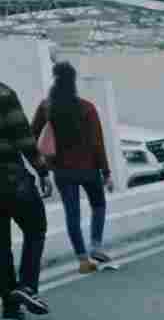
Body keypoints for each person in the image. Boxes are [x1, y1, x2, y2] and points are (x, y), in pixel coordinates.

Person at [31, 63, 112, 273]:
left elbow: (32, 136)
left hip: (62, 171)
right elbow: (97, 142)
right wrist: (106, 171)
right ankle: (96, 245)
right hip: (89, 169)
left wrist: (43, 167)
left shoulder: (46, 107)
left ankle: (83, 260)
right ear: (74, 81)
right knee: (98, 205)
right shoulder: (87, 108)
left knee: (72, 214)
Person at [0, 80, 50, 320]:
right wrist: (42, 171)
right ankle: (28, 286)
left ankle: (10, 308)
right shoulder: (4, 93)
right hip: (10, 178)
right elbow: (24, 137)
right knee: (36, 229)